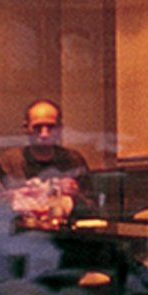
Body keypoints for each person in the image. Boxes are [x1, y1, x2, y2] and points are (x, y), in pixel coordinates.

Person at [10, 95, 88, 229]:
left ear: (60, 129)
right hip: (21, 238)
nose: (44, 134)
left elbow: (93, 207)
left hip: (65, 239)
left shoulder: (73, 160)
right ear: (26, 128)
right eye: (38, 127)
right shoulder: (9, 163)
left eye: (51, 127)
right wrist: (12, 197)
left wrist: (76, 195)